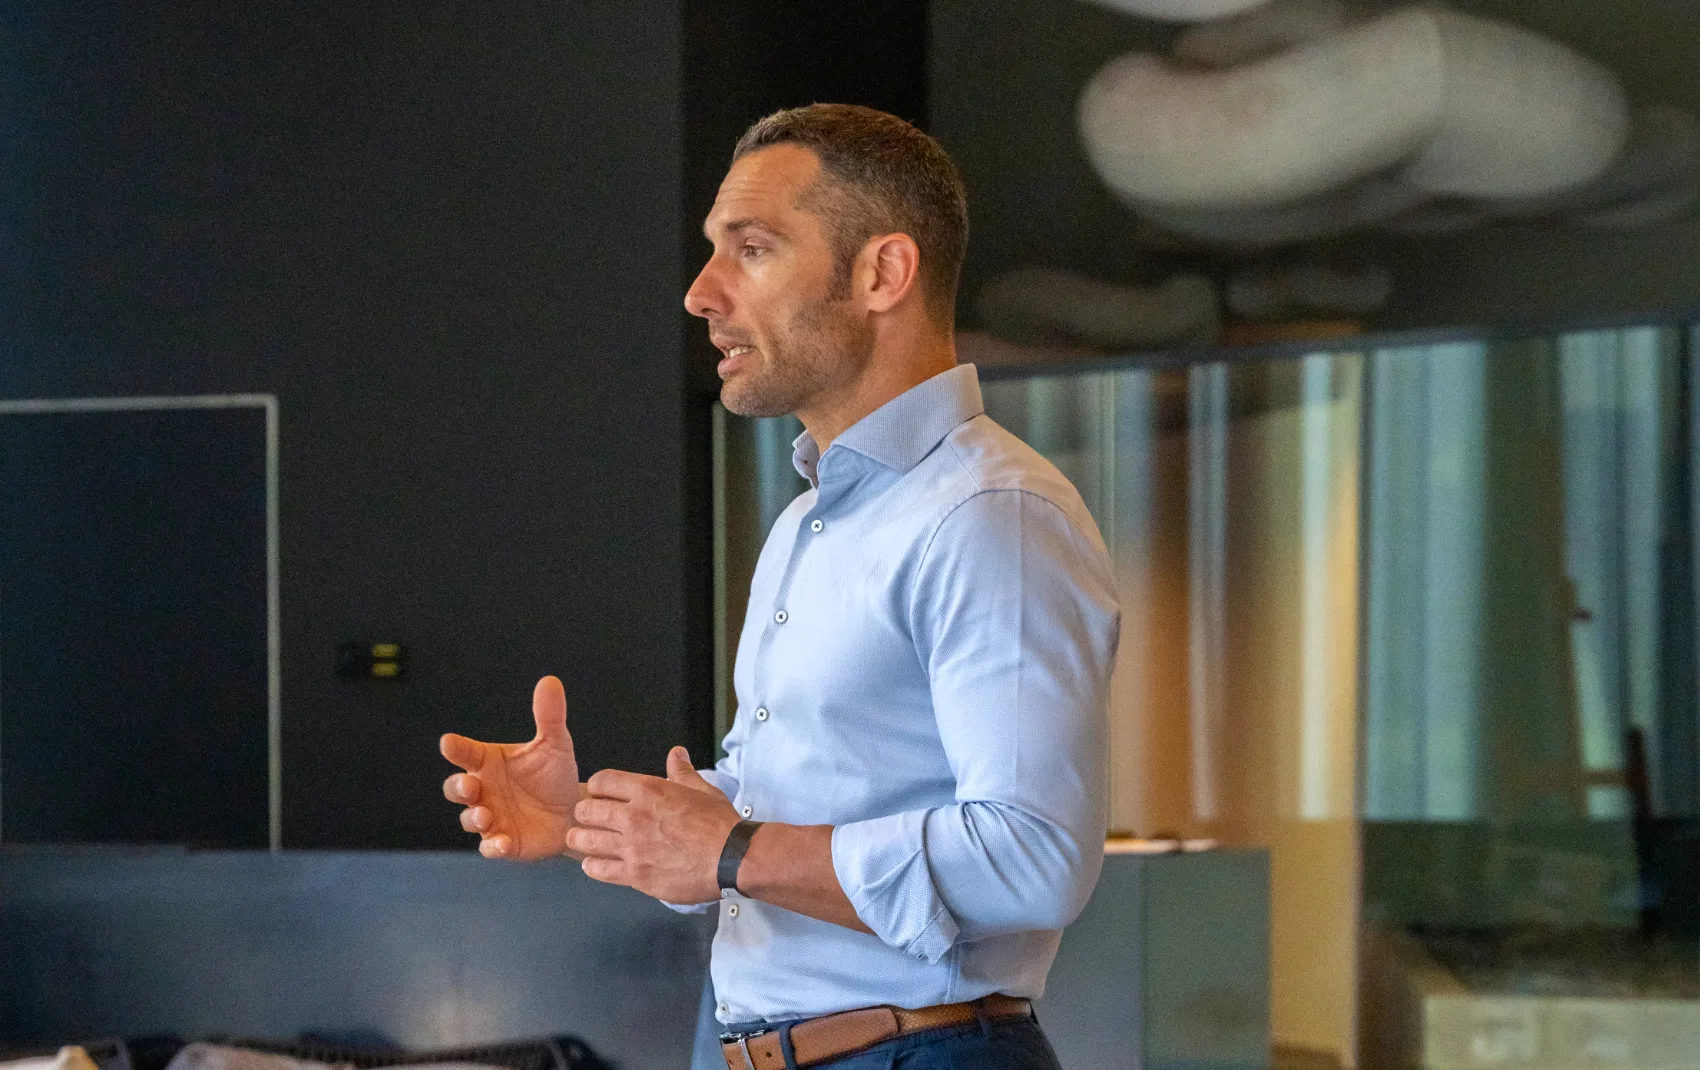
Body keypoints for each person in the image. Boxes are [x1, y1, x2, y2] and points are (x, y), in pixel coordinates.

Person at [441, 104, 1121, 1070]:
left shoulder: (990, 514)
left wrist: (730, 853)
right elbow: (794, 796)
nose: (700, 293)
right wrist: (594, 816)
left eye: (751, 250)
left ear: (882, 273)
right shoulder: (810, 519)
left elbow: (1033, 857)